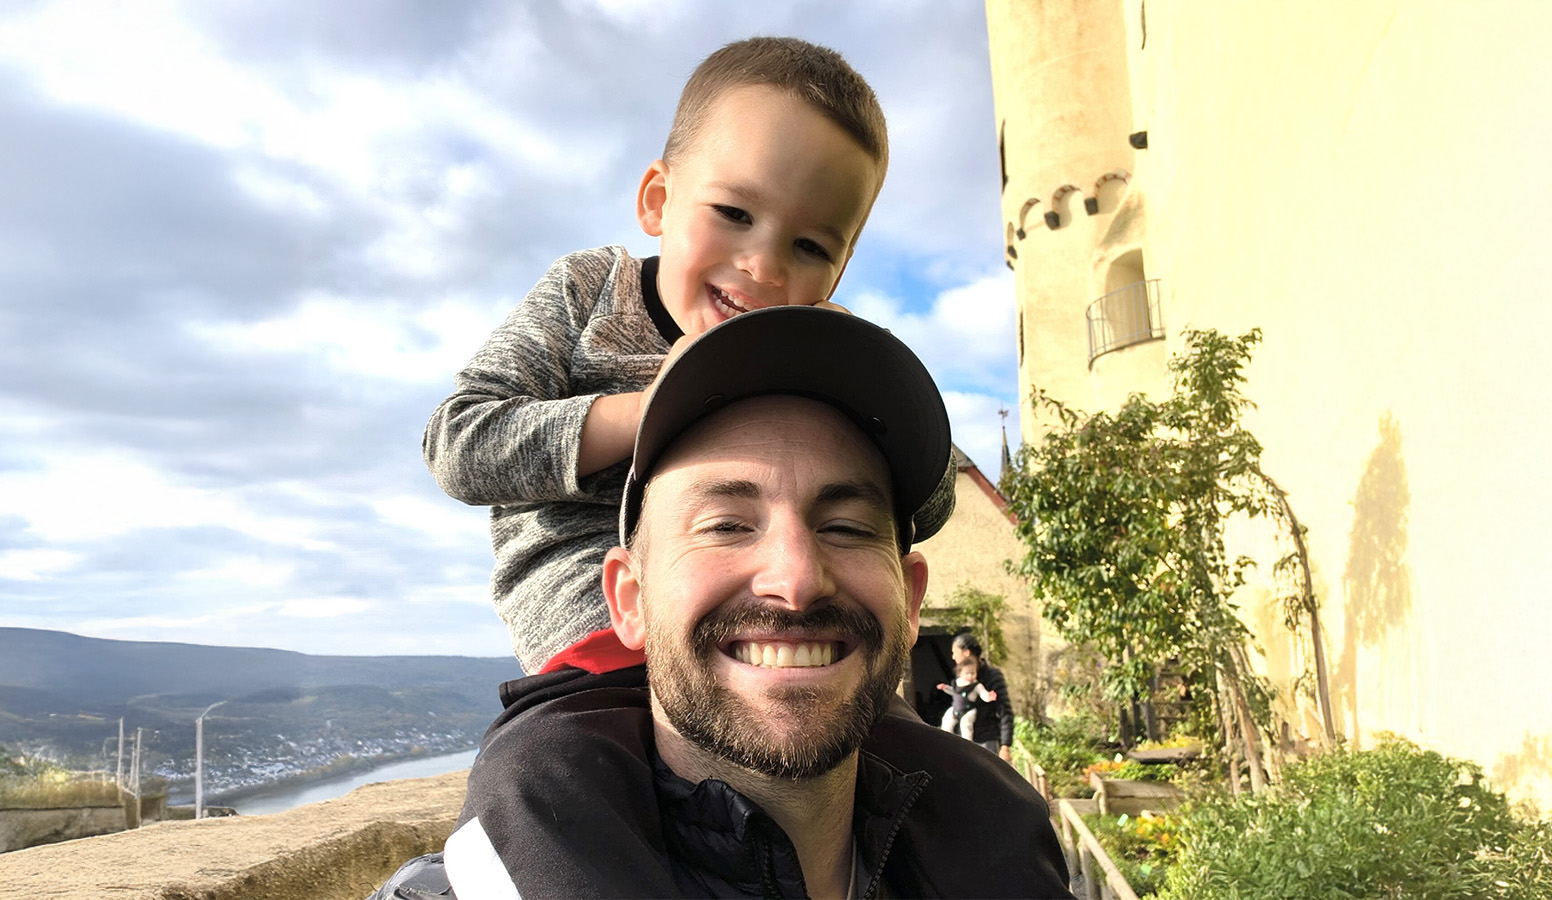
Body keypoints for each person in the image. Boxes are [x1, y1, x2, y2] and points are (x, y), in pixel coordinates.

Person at [385, 307, 1071, 899]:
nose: (796, 580)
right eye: (726, 525)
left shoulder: (1005, 854)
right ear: (630, 600)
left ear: (911, 598)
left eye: (846, 527)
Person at [421, 35, 953, 676]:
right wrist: (653, 407)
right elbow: (460, 445)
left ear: (839, 271)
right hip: (598, 632)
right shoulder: (589, 291)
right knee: (572, 741)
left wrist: (867, 383)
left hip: (776, 627)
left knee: (894, 731)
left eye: (810, 247)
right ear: (658, 200)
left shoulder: (812, 355)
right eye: (734, 212)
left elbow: (930, 503)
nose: (763, 265)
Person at [953, 631, 1016, 760]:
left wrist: (1005, 746)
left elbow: (1005, 710)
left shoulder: (992, 676)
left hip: (986, 741)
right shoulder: (960, 677)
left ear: (966, 652)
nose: (953, 657)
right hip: (964, 740)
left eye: (955, 652)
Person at [937, 657, 996, 740]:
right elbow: (954, 692)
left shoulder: (977, 685)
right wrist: (945, 688)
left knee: (965, 725)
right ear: (960, 673)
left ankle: (967, 742)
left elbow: (983, 694)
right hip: (955, 709)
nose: (970, 676)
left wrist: (988, 697)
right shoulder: (957, 683)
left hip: (968, 711)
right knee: (947, 720)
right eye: (967, 673)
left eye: (973, 673)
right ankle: (945, 739)